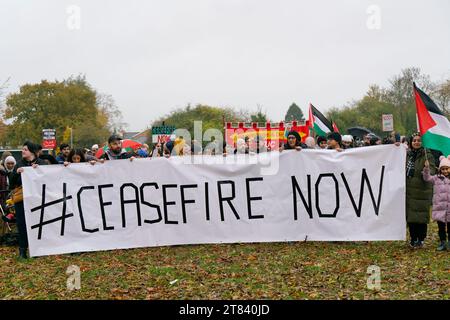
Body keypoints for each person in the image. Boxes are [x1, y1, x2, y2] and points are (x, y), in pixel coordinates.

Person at [9, 141, 48, 258]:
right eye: (22, 149)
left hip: (37, 200)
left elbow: (49, 178)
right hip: (22, 200)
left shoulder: (42, 163)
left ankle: (38, 248)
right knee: (22, 224)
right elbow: (11, 183)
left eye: (25, 149)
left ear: (32, 151)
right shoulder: (19, 164)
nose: (22, 151)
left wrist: (39, 170)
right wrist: (16, 173)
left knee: (38, 223)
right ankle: (22, 250)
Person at [406, 133, 435, 248]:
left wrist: (427, 169)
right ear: (411, 142)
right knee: (411, 217)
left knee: (421, 217)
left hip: (422, 191)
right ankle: (413, 238)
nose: (416, 142)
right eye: (414, 140)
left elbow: (431, 172)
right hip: (409, 191)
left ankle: (421, 239)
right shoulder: (407, 155)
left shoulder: (427, 155)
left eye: (419, 140)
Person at [423, 155, 450, 251]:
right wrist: (426, 168)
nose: (445, 171)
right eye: (443, 169)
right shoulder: (436, 178)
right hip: (439, 208)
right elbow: (427, 178)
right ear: (440, 169)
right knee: (441, 228)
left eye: (447, 169)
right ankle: (443, 242)